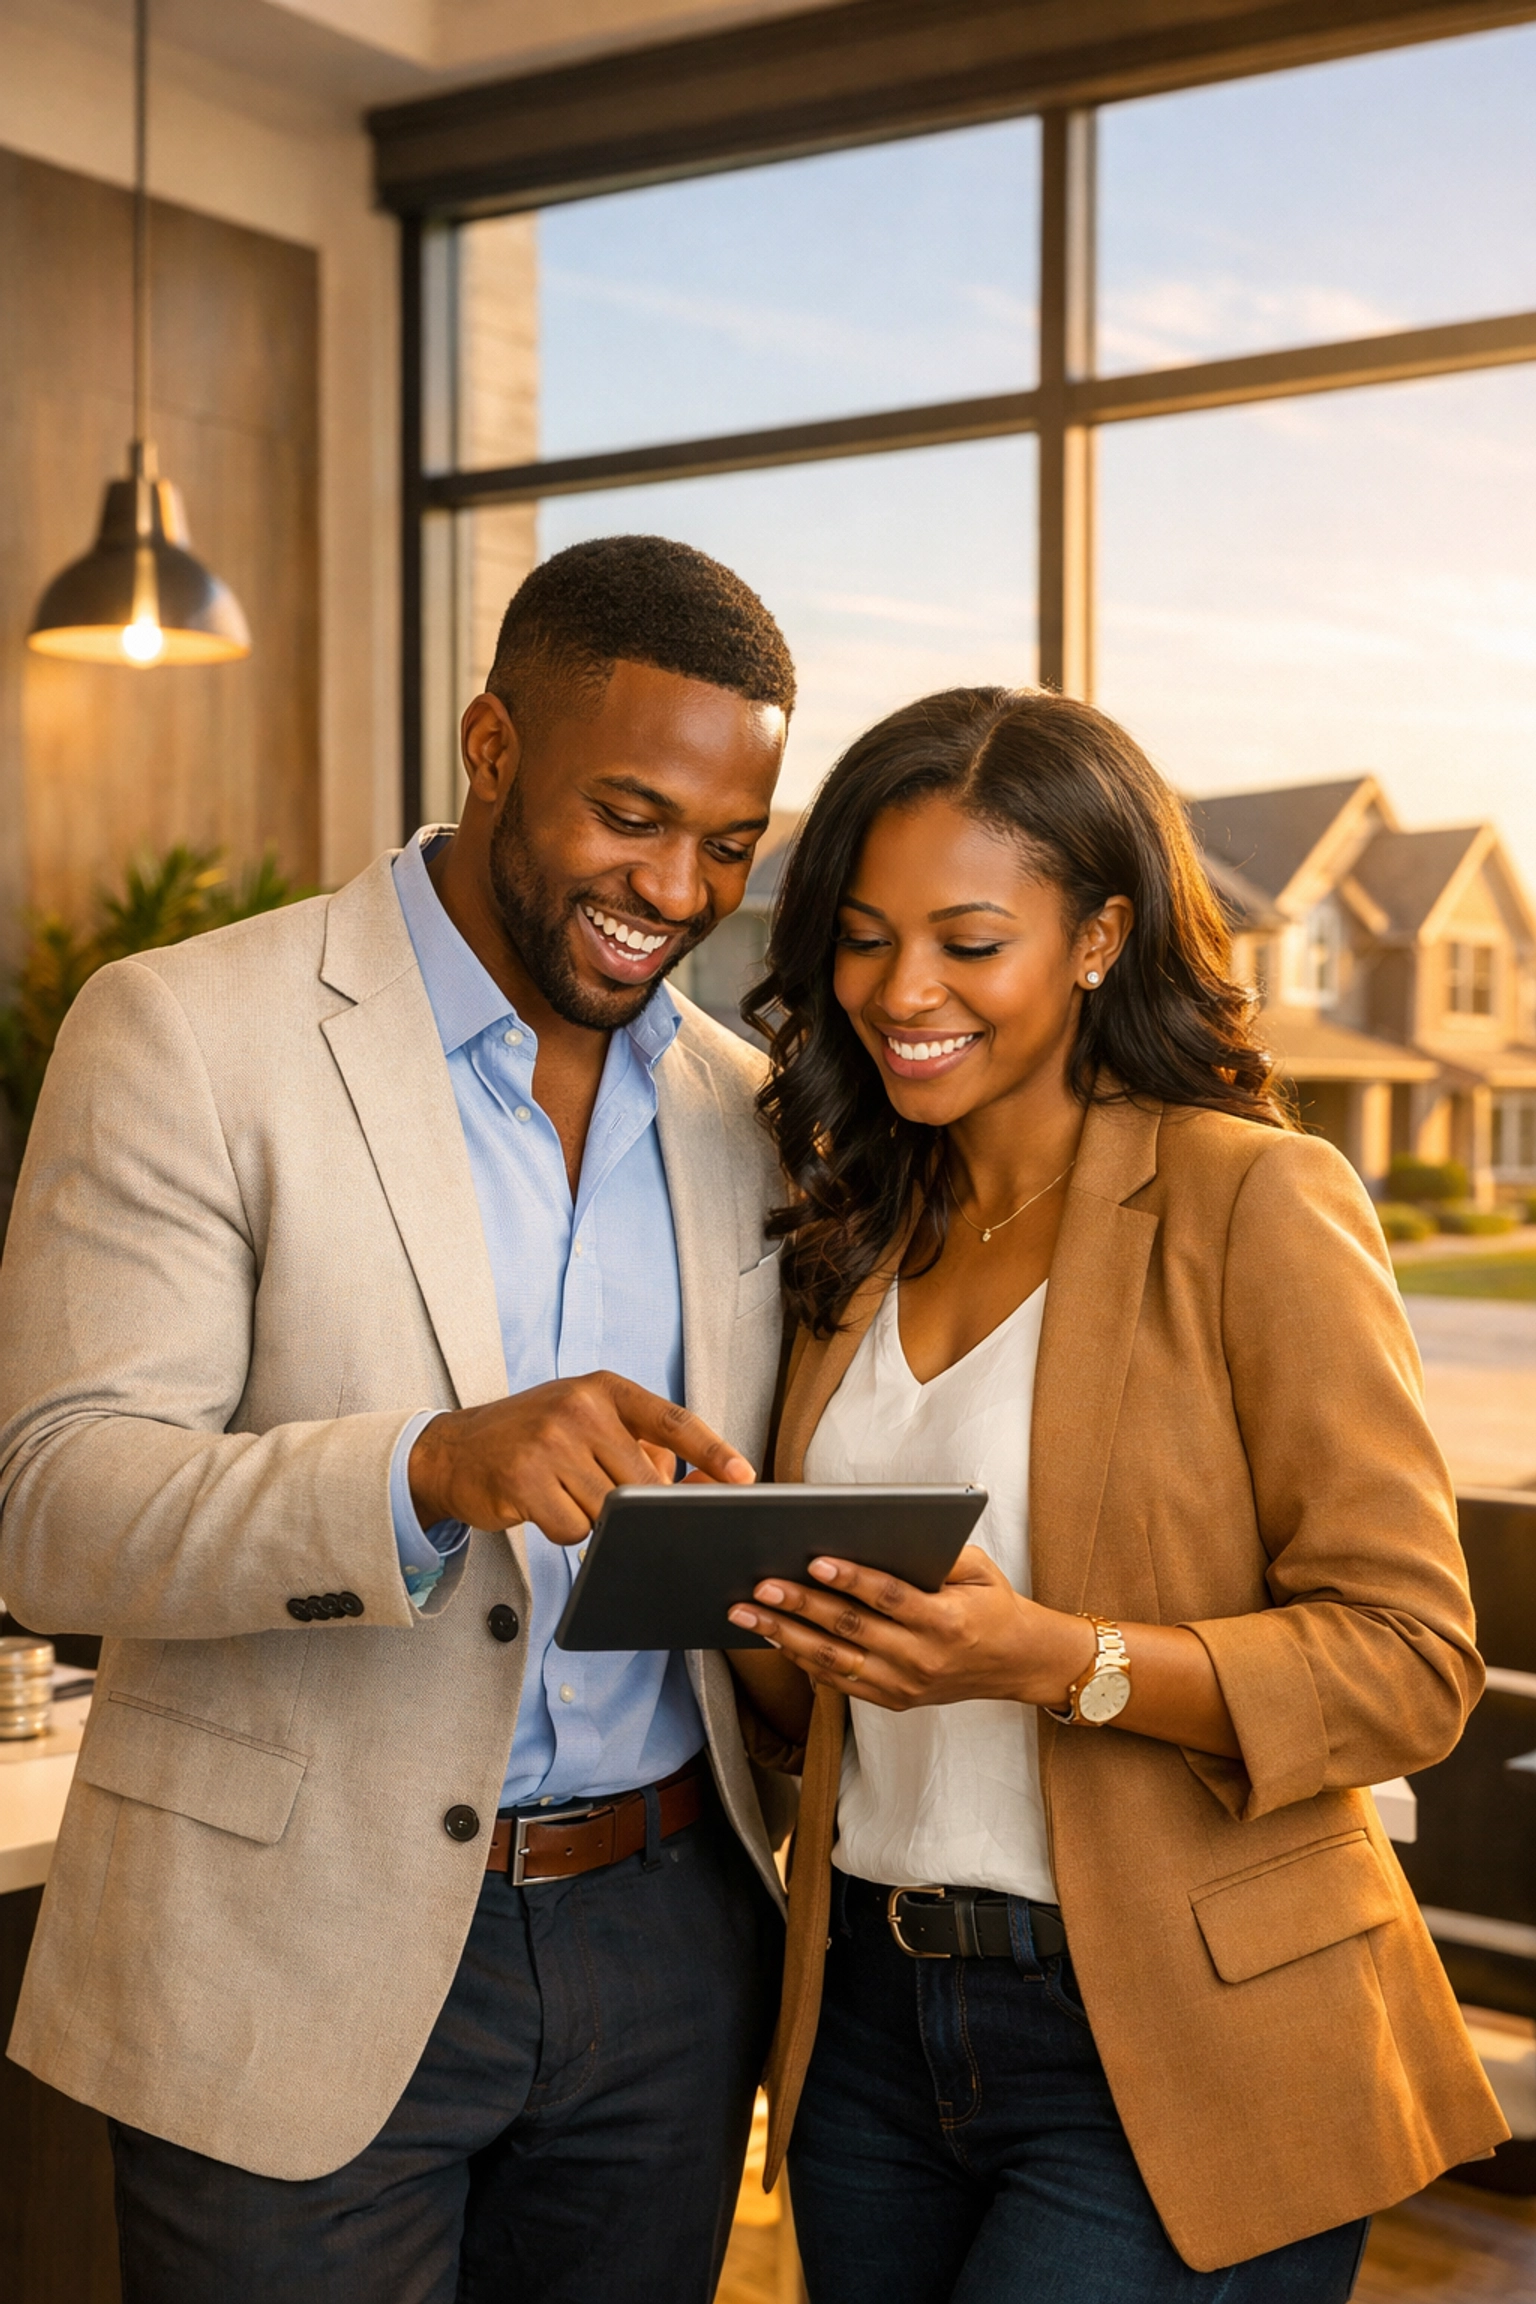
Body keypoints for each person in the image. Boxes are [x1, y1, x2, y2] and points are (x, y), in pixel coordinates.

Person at [0, 535, 800, 2303]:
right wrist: (430, 1467)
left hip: (670, 1939)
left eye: (728, 845)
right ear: (490, 746)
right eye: (630, 816)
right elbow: (55, 1506)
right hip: (289, 1950)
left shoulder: (750, 1112)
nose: (673, 885)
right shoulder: (187, 1032)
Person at [727, 687, 1507, 2302]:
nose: (903, 992)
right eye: (864, 940)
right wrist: (726, 1582)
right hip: (865, 2023)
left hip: (1171, 2022)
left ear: (1097, 938)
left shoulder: (1255, 1200)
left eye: (967, 940)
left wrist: (1062, 1659)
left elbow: (1412, 1660)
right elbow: (822, 1710)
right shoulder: (854, 1228)